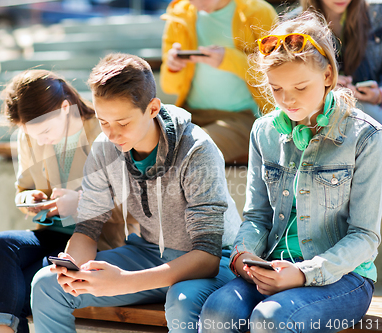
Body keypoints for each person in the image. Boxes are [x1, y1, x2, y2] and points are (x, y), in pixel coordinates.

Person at [30, 53, 242, 333]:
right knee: (46, 284)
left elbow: (208, 256)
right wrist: (72, 268)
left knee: (182, 300)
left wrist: (124, 281)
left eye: (123, 122)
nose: (113, 134)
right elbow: (88, 227)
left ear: (153, 108)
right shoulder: (105, 147)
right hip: (148, 252)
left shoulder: (197, 149)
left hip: (214, 261)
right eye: (104, 121)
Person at [198, 12, 382, 333]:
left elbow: (365, 238)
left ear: (327, 76)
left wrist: (301, 274)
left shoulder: (366, 137)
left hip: (344, 277)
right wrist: (244, 255)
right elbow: (257, 216)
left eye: (300, 86)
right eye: (276, 88)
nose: (287, 99)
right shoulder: (263, 132)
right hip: (271, 267)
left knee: (271, 319)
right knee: (218, 310)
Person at [0, 70, 138, 333]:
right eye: (32, 133)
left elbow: (132, 203)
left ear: (65, 108)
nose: (39, 139)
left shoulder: (105, 132)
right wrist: (29, 199)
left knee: (15, 284)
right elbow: (24, 187)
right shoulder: (30, 133)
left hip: (100, 241)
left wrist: (81, 203)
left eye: (45, 131)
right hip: (53, 233)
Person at [159, 0, 277, 163]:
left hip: (242, 117)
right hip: (191, 115)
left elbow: (278, 71)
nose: (198, 3)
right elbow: (169, 87)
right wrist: (173, 68)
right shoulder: (179, 15)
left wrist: (229, 59)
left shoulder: (258, 11)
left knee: (192, 149)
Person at [294, 0, 382, 124]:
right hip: (323, 120)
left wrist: (379, 95)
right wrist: (322, 83)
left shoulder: (378, 13)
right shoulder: (293, 25)